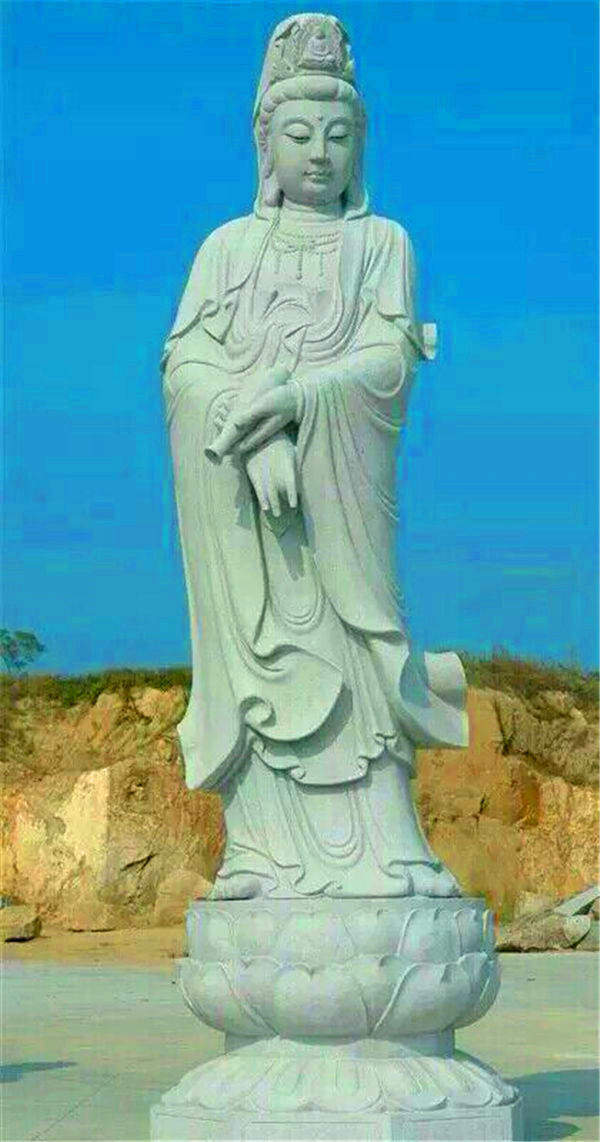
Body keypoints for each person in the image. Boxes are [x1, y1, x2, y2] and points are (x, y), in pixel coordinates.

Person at [162, 13, 468, 899]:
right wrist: (245, 431)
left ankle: (389, 841)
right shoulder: (227, 250)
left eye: (338, 135)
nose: (321, 154)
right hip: (251, 515)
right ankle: (259, 848)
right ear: (266, 145)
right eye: (300, 135)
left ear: (360, 145)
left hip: (341, 498)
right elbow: (185, 366)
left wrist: (298, 404)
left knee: (361, 654)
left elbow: (387, 364)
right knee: (263, 660)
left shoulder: (382, 244)